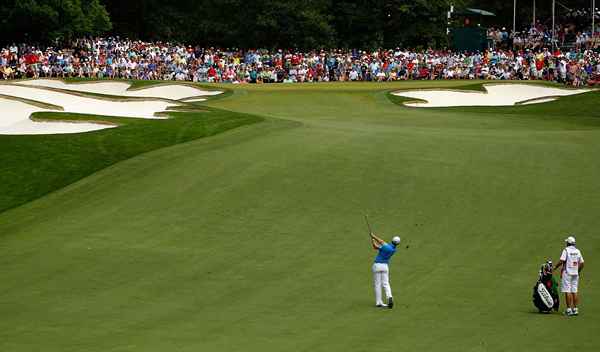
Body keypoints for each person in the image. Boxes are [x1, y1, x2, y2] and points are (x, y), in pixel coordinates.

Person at [553, 236, 585, 316]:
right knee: (574, 291)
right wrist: (578, 271)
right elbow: (582, 263)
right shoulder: (578, 251)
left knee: (567, 291)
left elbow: (562, 261)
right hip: (575, 274)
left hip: (567, 273)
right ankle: (575, 309)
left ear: (568, 243)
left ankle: (569, 310)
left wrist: (555, 267)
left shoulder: (566, 250)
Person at [370, 233, 401, 309]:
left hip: (377, 265)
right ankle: (389, 297)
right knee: (386, 283)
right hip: (385, 267)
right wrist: (373, 241)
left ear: (392, 240)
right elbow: (376, 246)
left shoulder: (387, 247)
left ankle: (378, 302)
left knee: (377, 284)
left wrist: (373, 236)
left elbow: (380, 242)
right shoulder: (393, 249)